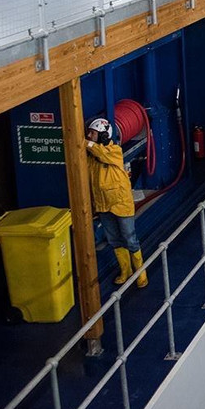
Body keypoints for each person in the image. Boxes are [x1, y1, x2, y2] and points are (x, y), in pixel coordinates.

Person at [85, 118, 147, 288]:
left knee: (130, 238)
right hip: (103, 204)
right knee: (114, 240)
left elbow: (101, 153)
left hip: (121, 204)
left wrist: (85, 144)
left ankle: (140, 272)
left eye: (93, 133)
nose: (89, 136)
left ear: (104, 136)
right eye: (88, 133)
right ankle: (125, 270)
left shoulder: (114, 151)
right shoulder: (91, 159)